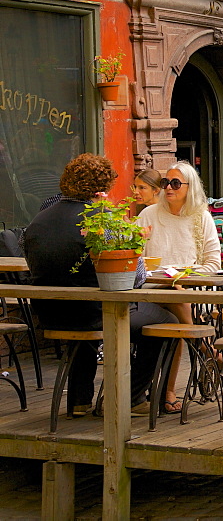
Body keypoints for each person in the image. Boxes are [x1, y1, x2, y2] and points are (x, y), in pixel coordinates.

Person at [23, 154, 176, 416]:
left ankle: (80, 401)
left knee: (86, 312)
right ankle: (132, 397)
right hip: (94, 313)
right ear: (102, 187)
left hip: (49, 313)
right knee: (168, 323)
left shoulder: (38, 220)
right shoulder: (102, 220)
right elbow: (135, 278)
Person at [137, 160, 223, 413]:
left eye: (176, 183)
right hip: (150, 290)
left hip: (190, 291)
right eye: (165, 183)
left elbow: (212, 264)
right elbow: (132, 257)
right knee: (178, 304)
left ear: (190, 187)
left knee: (177, 307)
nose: (169, 188)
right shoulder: (148, 215)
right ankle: (210, 354)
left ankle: (169, 389)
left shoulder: (201, 218)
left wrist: (182, 275)